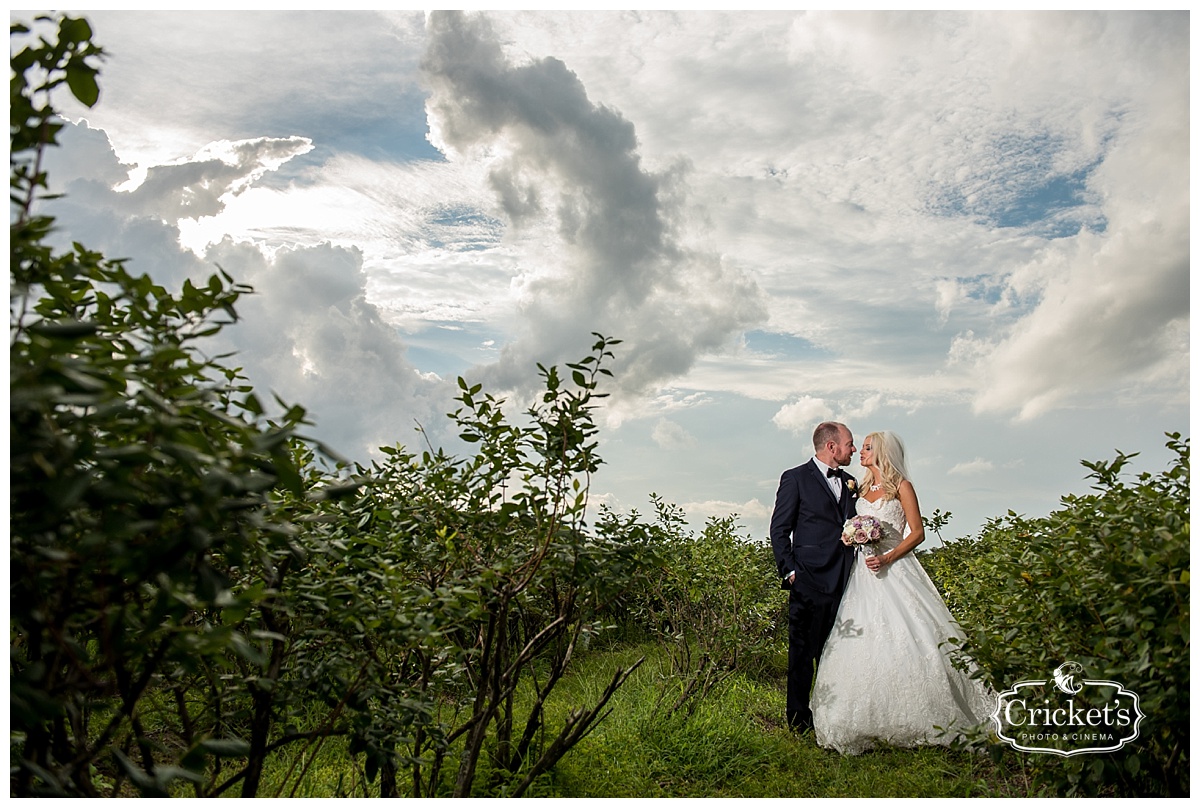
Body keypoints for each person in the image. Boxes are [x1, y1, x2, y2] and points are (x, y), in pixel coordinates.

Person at [811, 431, 993, 755]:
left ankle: (928, 719)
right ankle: (864, 720)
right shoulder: (860, 489)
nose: (860, 452)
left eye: (866, 448)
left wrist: (888, 556)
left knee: (912, 635)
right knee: (862, 642)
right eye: (860, 447)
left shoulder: (902, 488)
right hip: (864, 576)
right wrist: (852, 538)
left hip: (896, 568)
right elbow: (848, 524)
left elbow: (918, 531)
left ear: (880, 452)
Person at [769, 421, 858, 731]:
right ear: (831, 446)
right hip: (807, 579)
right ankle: (798, 721)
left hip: (847, 581)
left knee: (837, 653)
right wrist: (791, 571)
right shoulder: (795, 478)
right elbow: (779, 530)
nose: (854, 449)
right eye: (849, 443)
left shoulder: (851, 482)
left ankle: (832, 717)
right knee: (802, 655)